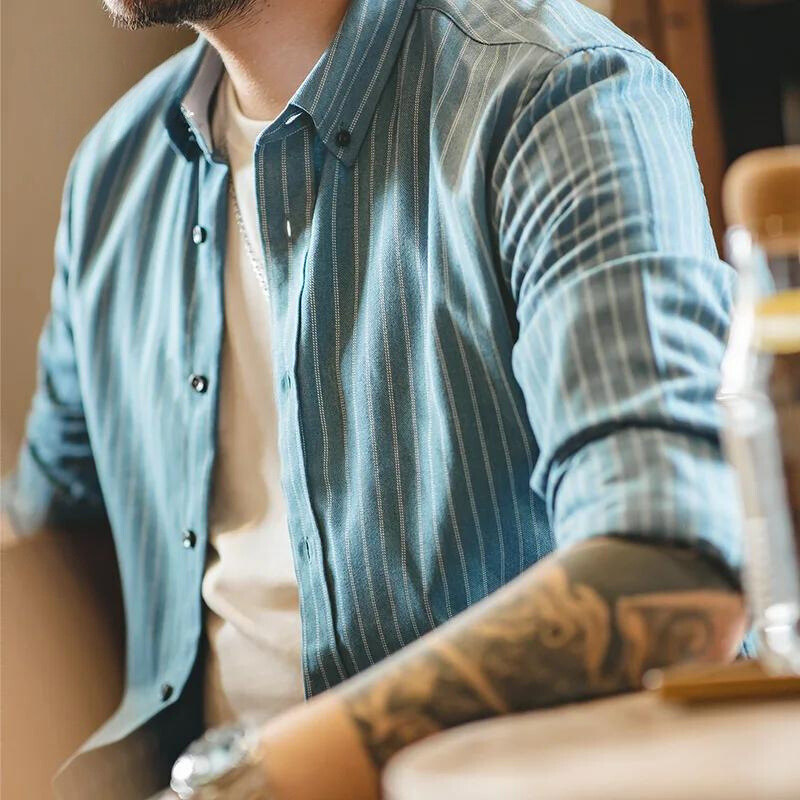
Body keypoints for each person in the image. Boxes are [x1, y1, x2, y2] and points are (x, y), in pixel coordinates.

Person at [3, 0, 747, 797]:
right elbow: (57, 559)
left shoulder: (557, 93)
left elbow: (673, 569)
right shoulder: (116, 174)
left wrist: (250, 782)